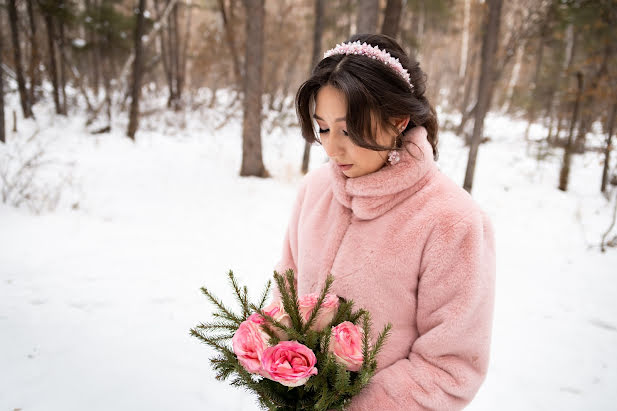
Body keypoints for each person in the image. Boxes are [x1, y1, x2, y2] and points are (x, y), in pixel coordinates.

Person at [274, 33, 496, 410]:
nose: (332, 148)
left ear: (398, 120)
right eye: (323, 128)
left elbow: (450, 368)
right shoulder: (314, 191)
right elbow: (285, 295)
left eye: (348, 129)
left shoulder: (451, 221)